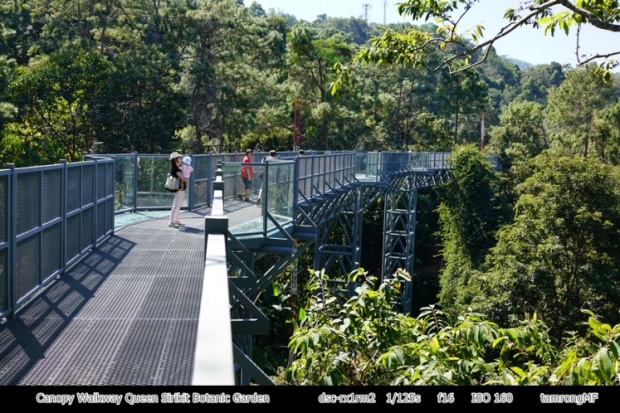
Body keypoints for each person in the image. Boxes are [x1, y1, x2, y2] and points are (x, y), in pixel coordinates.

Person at [168, 152, 187, 228]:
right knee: (176, 205)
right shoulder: (175, 168)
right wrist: (186, 178)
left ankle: (176, 220)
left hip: (181, 188)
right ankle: (171, 221)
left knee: (178, 204)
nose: (180, 159)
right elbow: (182, 178)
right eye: (178, 158)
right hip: (179, 188)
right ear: (175, 159)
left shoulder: (176, 167)